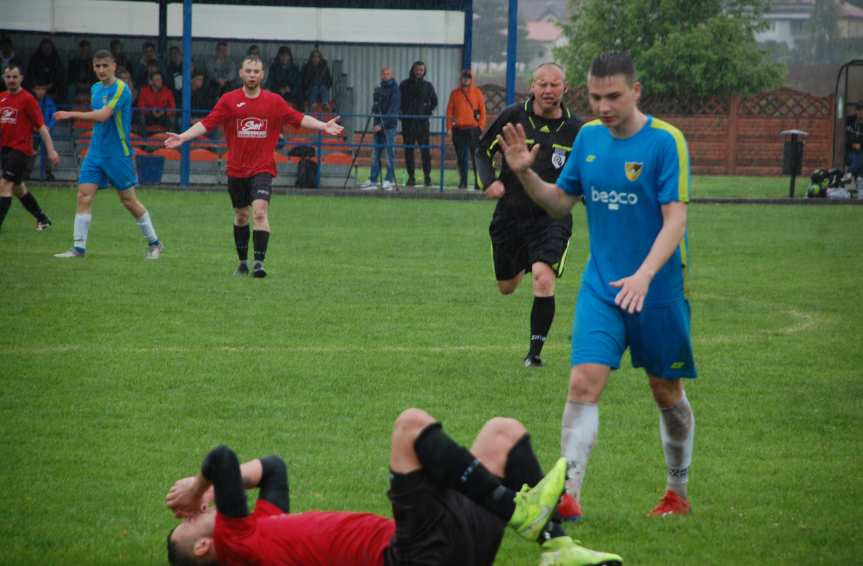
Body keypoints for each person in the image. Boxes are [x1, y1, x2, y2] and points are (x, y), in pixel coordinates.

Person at [495, 51, 697, 521]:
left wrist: (645, 275)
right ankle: (568, 496)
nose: (603, 106)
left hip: (657, 289)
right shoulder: (587, 138)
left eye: (613, 96)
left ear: (636, 92)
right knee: (583, 383)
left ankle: (676, 492)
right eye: (595, 96)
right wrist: (525, 171)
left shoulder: (667, 142)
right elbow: (560, 203)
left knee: (666, 393)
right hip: (603, 287)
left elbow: (676, 219)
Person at [165, 407, 622, 565]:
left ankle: (555, 545)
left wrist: (216, 490)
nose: (194, 512)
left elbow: (274, 467)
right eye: (189, 522)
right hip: (409, 556)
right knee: (409, 428)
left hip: (441, 548)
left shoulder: (262, 527)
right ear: (204, 547)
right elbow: (221, 459)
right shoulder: (236, 542)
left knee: (502, 433)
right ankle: (522, 514)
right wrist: (200, 486)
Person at [164, 55, 344, 278]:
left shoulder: (274, 101)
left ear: (262, 74)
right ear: (241, 73)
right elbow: (207, 123)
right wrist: (183, 137)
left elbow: (298, 118)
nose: (252, 75)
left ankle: (259, 263)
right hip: (237, 169)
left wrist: (323, 126)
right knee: (241, 216)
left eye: (256, 71)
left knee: (259, 212)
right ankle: (242, 263)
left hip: (262, 168)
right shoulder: (229, 100)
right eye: (248, 71)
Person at [476, 63, 581, 369]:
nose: (548, 91)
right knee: (507, 287)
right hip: (510, 214)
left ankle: (534, 355)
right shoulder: (513, 116)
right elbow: (483, 150)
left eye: (554, 85)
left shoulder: (578, 130)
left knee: (543, 278)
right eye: (542, 84)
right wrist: (490, 181)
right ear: (532, 87)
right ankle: (523, 262)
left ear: (565, 88)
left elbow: (589, 170)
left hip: (552, 216)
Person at [53, 50, 163, 259]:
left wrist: (71, 113)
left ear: (114, 66)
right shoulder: (95, 88)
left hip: (117, 153)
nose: (101, 70)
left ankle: (155, 243)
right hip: (96, 151)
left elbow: (104, 116)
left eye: (105, 65)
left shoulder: (122, 89)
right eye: (97, 66)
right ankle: (78, 248)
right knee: (83, 195)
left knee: (128, 201)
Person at [0, 64, 59, 231]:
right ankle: (42, 219)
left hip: (21, 149)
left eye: (14, 77)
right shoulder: (2, 98)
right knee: (18, 188)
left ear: (21, 78)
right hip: (5, 149)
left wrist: (51, 150)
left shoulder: (27, 99)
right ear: (4, 78)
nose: (11, 80)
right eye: (8, 77)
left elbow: (41, 127)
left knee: (4, 184)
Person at [360, 67, 400, 191]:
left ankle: (388, 179)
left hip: (389, 126)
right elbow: (376, 108)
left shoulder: (395, 91)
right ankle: (373, 179)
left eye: (387, 74)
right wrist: (376, 122)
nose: (385, 76)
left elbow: (393, 110)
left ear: (392, 75)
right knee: (375, 153)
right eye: (383, 73)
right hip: (377, 125)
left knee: (389, 153)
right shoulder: (379, 90)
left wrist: (382, 125)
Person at [399, 61, 438, 187]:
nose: (419, 72)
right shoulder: (404, 85)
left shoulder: (428, 86)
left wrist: (426, 112)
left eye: (421, 70)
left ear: (424, 71)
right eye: (417, 69)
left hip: (422, 124)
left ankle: (427, 176)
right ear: (413, 70)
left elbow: (434, 101)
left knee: (425, 151)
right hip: (408, 123)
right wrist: (402, 115)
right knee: (409, 151)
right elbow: (398, 102)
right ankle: (411, 177)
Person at [446, 69, 486, 189]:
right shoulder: (455, 93)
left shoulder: (477, 93)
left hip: (473, 129)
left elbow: (483, 110)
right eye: (464, 77)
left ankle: (478, 183)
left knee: (476, 158)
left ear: (471, 79)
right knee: (461, 157)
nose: (466, 79)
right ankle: (463, 182)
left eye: (468, 77)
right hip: (458, 129)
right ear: (461, 79)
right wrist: (449, 128)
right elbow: (449, 111)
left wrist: (480, 126)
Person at [25, 38, 66, 103]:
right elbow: (30, 75)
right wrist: (39, 87)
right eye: (44, 48)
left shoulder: (56, 60)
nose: (47, 50)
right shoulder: (35, 60)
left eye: (49, 48)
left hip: (53, 91)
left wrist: (50, 85)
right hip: (37, 90)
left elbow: (60, 76)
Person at [32, 81, 57, 181]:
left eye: (42, 89)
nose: (40, 91)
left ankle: (48, 173)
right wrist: (32, 126)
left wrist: (49, 127)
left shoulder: (50, 102)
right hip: (33, 132)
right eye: (38, 89)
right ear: (34, 90)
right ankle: (26, 172)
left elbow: (54, 116)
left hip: (47, 131)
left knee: (48, 152)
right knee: (31, 152)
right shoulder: (30, 100)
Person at [301, 48, 333, 112]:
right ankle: (312, 104)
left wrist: (322, 83)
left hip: (322, 89)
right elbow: (304, 82)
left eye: (317, 57)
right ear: (311, 58)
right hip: (310, 90)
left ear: (320, 58)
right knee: (315, 87)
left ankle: (325, 104)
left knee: (323, 87)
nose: (316, 59)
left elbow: (329, 82)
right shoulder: (306, 67)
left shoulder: (325, 68)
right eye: (314, 57)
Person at [845, 102, 863, 179]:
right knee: (857, 157)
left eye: (862, 110)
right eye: (859, 110)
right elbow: (844, 138)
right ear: (856, 111)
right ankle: (858, 178)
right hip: (850, 151)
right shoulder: (849, 121)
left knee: (859, 156)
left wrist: (861, 145)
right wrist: (852, 144)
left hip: (862, 150)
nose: (861, 112)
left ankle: (850, 174)